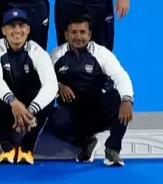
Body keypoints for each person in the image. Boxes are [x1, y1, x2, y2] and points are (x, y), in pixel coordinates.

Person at [48, 13, 133, 166]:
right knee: (49, 119)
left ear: (90, 34)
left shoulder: (101, 53)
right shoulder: (55, 56)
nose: (78, 37)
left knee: (118, 100)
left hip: (99, 110)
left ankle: (112, 149)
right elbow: (44, 81)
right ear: (66, 34)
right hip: (75, 113)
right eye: (73, 32)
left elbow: (121, 76)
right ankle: (87, 142)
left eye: (82, 32)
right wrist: (58, 87)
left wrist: (127, 99)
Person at [0, 8, 58, 165]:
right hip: (7, 105)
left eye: (21, 26)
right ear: (4, 30)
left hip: (29, 111)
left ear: (28, 29)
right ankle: (7, 147)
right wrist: (13, 102)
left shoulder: (37, 51)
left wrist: (29, 110)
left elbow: (51, 85)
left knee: (49, 97)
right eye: (12, 26)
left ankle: (26, 148)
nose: (17, 30)